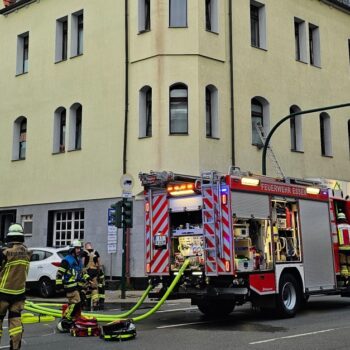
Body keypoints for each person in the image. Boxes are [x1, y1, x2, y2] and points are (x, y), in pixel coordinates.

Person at [0, 224, 31, 350]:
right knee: (16, 323)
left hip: (2, 293)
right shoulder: (28, 252)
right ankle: (15, 347)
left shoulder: (5, 252)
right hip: (19, 293)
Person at [56, 240, 89, 332]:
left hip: (77, 286)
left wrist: (87, 278)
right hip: (70, 286)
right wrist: (58, 284)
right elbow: (59, 274)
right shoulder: (67, 260)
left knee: (78, 303)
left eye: (79, 248)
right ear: (72, 249)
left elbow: (81, 273)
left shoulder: (78, 260)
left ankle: (71, 320)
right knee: (75, 302)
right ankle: (66, 319)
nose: (79, 250)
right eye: (77, 248)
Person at [81, 242, 101, 311]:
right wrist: (98, 271)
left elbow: (83, 262)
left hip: (87, 271)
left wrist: (82, 269)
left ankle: (86, 303)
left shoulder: (84, 252)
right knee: (94, 288)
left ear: (86, 247)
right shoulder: (96, 252)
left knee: (85, 287)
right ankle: (95, 303)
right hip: (94, 272)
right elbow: (98, 263)